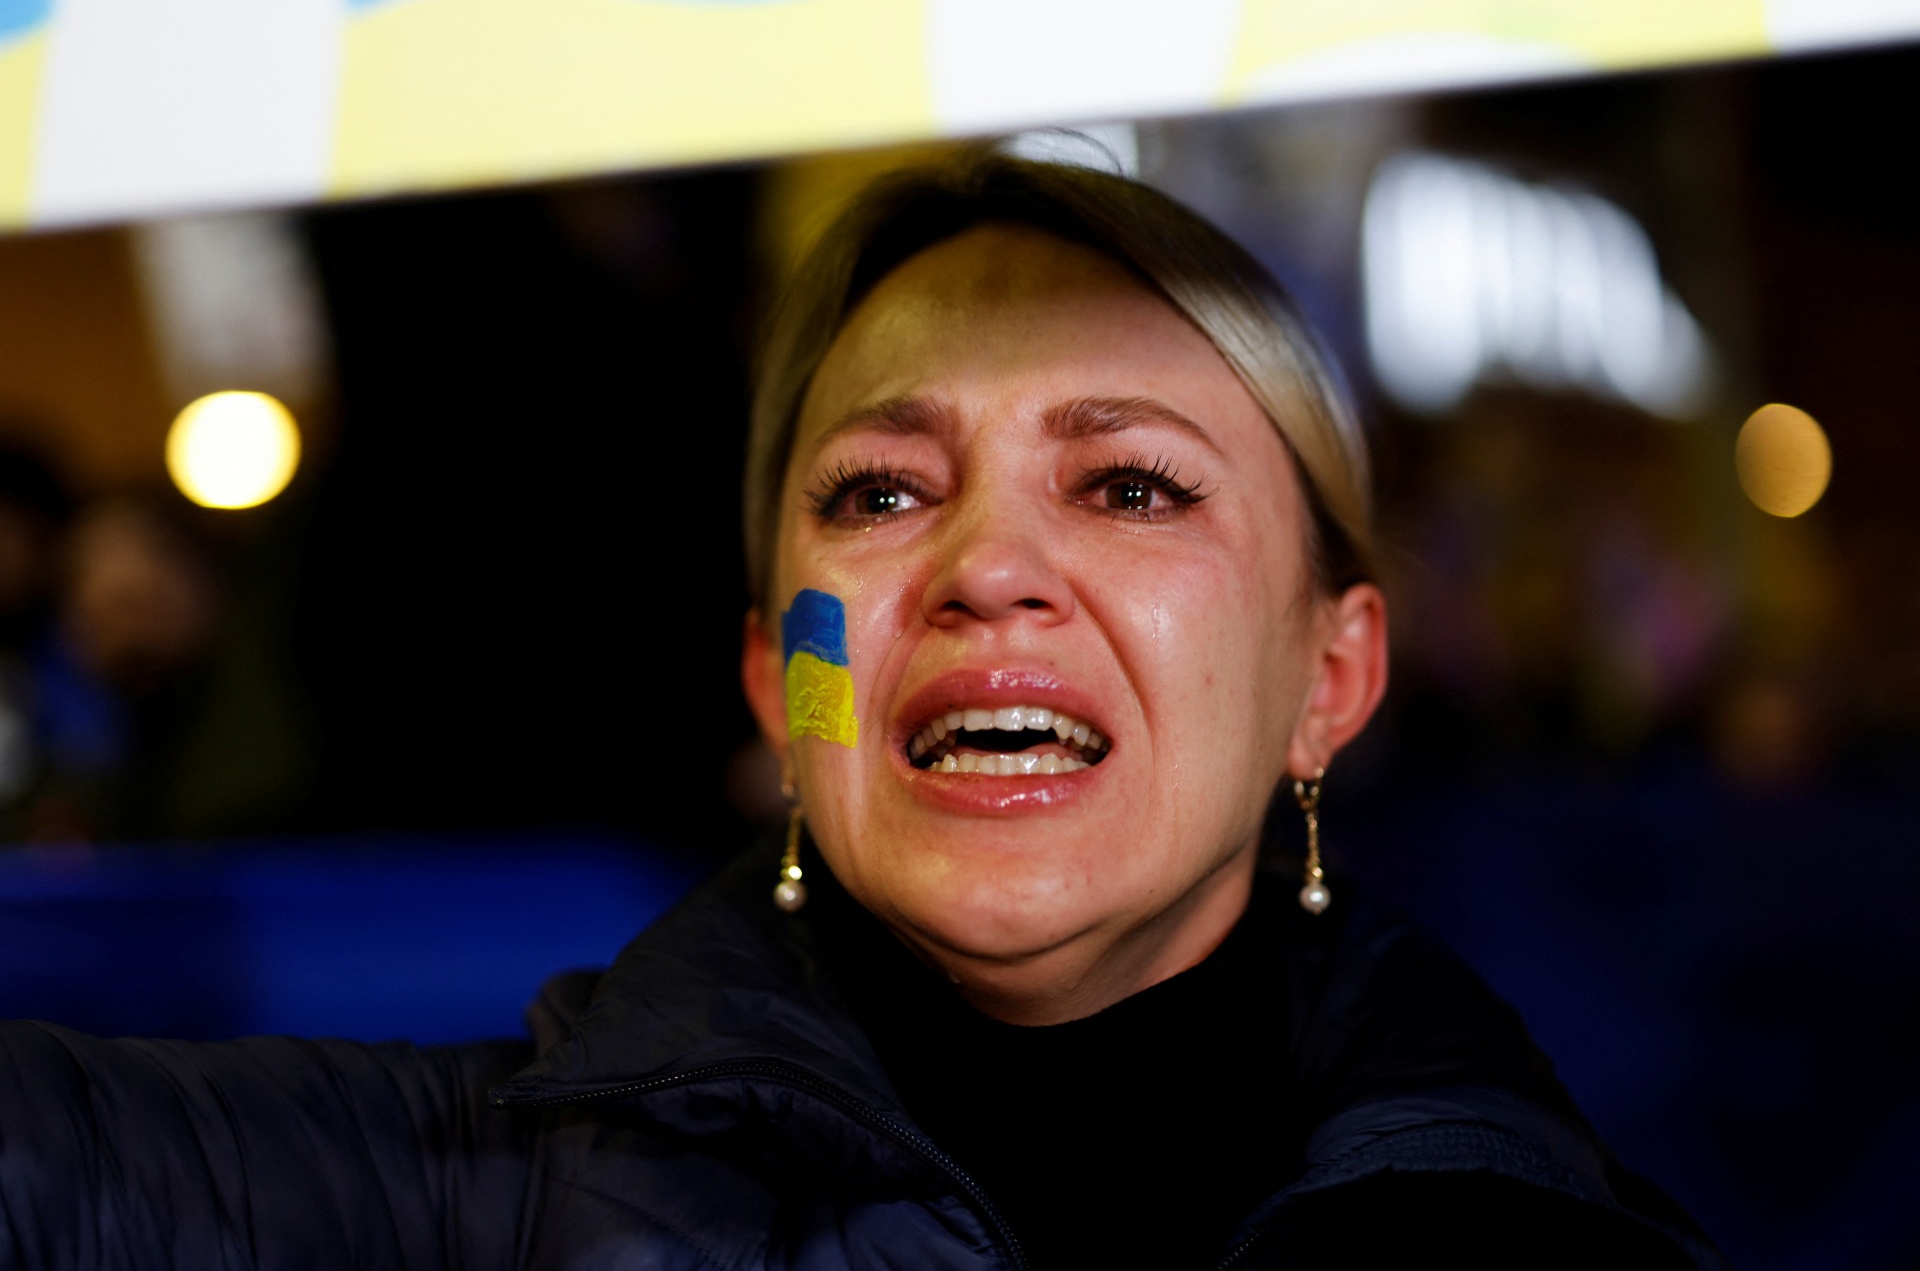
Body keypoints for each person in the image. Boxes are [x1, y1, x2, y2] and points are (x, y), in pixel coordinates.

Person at [0, 153, 1720, 1269]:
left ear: (1327, 681)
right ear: (776, 687)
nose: (985, 567)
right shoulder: (467, 1204)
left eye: (1127, 486)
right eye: (883, 494)